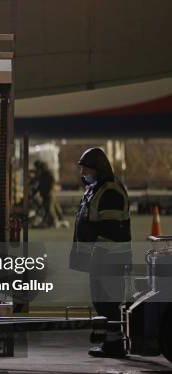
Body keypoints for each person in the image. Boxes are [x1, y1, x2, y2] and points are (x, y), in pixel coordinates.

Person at [69, 147, 131, 358]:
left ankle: (114, 345)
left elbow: (111, 229)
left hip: (109, 257)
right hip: (100, 256)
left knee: (108, 301)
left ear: (99, 169)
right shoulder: (96, 190)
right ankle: (110, 343)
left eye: (87, 168)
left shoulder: (110, 191)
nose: (83, 173)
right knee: (101, 300)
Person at [33, 160, 67, 228]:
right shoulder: (41, 174)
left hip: (49, 193)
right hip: (45, 193)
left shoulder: (48, 174)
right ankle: (59, 219)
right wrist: (36, 190)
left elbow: (52, 182)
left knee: (50, 208)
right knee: (54, 206)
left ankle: (55, 220)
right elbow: (39, 184)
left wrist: (49, 190)